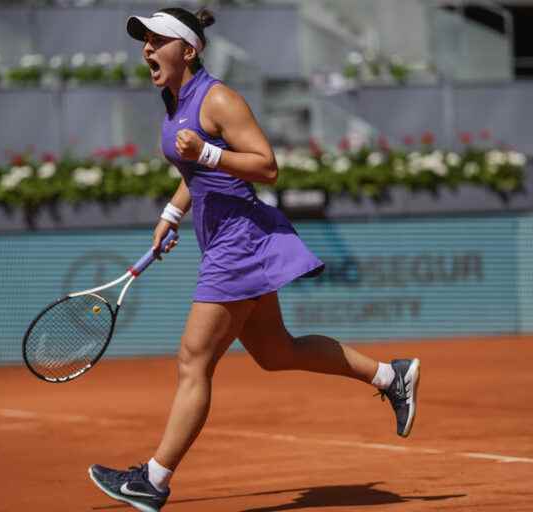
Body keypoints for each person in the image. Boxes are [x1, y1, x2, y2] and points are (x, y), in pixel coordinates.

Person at [88, 8, 420, 512]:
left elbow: (267, 166)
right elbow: (193, 171)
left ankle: (153, 480)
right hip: (225, 240)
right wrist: (172, 213)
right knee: (276, 352)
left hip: (239, 242)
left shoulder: (218, 98)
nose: (148, 50)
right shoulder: (174, 102)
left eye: (158, 41)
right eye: (145, 41)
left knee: (193, 361)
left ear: (189, 50)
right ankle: (389, 377)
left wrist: (207, 153)